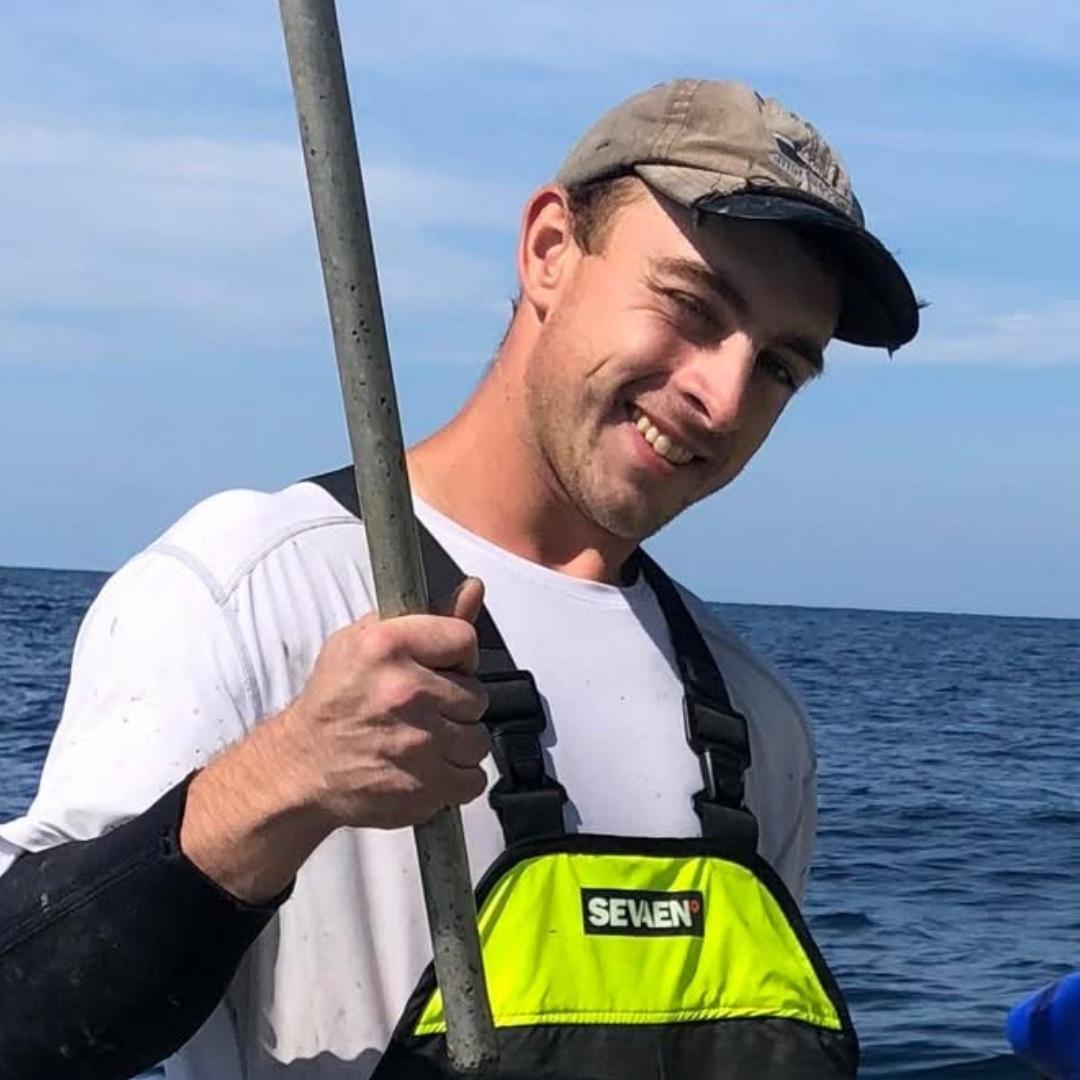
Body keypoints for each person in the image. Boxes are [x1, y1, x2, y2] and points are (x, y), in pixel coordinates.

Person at [0, 78, 918, 1079]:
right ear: (549, 250)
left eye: (780, 367)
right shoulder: (249, 587)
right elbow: (24, 1017)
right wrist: (283, 779)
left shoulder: (757, 719)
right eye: (692, 306)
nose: (724, 397)